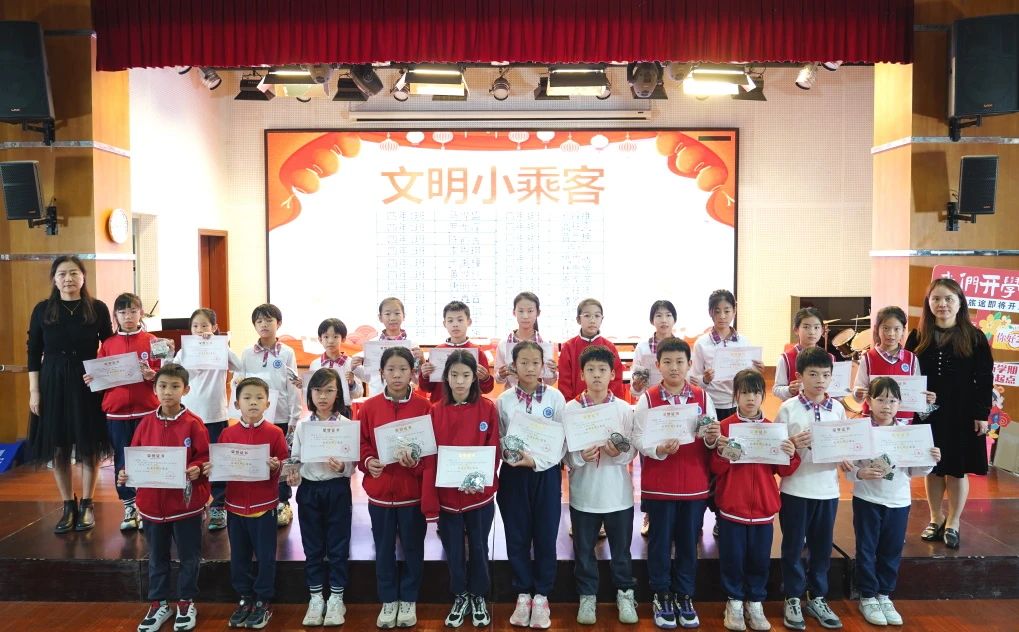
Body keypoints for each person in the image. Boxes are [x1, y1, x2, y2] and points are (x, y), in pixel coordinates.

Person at [633, 337, 720, 630]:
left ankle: (684, 594)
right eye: (667, 362)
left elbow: (711, 437)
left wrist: (712, 437)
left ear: (689, 364)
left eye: (680, 362)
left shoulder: (702, 397)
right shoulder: (647, 399)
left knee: (687, 542)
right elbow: (638, 437)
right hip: (660, 484)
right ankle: (661, 594)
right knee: (659, 543)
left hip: (694, 485)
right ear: (657, 365)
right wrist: (657, 449)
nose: (674, 367)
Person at [117, 363, 210, 632]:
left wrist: (197, 468)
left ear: (186, 390)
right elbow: (134, 456)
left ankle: (186, 601)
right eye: (163, 386)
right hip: (152, 507)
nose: (168, 392)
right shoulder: (146, 423)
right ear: (154, 389)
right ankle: (159, 603)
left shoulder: (194, 423)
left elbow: (205, 457)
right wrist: (125, 473)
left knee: (189, 556)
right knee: (157, 557)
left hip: (185, 506)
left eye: (175, 386)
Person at [905, 278, 994, 550]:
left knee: (957, 469)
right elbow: (906, 376)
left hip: (962, 414)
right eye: (936, 299)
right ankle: (936, 518)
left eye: (948, 299)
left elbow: (984, 378)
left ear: (959, 303)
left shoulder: (975, 337)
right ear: (928, 303)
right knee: (933, 468)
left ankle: (953, 522)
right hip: (927, 414)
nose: (942, 304)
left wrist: (981, 414)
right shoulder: (917, 336)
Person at [27, 255, 113, 533]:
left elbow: (109, 348)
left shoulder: (97, 308)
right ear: (54, 279)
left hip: (87, 382)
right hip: (52, 382)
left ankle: (87, 503)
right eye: (62, 274)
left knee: (89, 445)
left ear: (83, 277)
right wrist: (34, 391)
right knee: (59, 446)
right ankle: (67, 505)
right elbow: (33, 352)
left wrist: (105, 377)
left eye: (74, 273)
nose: (68, 278)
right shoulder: (43, 309)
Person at [845, 377, 940, 627]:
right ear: (869, 401)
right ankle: (867, 596)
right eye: (880, 400)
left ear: (900, 404)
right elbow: (847, 467)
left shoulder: (907, 433)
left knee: (891, 549)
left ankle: (884, 595)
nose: (886, 406)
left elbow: (915, 471)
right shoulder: (860, 430)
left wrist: (930, 460)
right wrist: (859, 473)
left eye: (892, 401)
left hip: (898, 501)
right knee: (866, 549)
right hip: (867, 499)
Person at [712, 369, 800, 632]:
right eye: (744, 393)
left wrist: (791, 453)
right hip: (732, 508)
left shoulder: (774, 429)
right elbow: (714, 469)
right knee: (732, 558)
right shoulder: (725, 427)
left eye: (756, 393)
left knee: (760, 560)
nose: (750, 398)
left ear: (763, 395)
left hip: (763, 509)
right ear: (735, 396)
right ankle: (734, 602)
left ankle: (755, 602)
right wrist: (723, 454)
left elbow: (783, 470)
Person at [421, 350, 500, 628]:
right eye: (454, 375)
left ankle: (479, 594)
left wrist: (478, 482)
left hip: (478, 497)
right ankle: (460, 594)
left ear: (474, 378)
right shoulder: (435, 411)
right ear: (446, 377)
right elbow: (431, 456)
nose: (459, 381)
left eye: (466, 375)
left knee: (478, 547)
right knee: (453, 550)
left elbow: (493, 449)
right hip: (447, 497)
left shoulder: (487, 409)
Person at [357, 346, 432, 629]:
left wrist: (416, 463)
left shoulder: (424, 407)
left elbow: (430, 452)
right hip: (380, 494)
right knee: (384, 549)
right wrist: (369, 462)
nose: (397, 375)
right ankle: (388, 599)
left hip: (412, 495)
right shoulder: (370, 407)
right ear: (381, 373)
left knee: (413, 548)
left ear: (413, 372)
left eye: (403, 369)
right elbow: (362, 443)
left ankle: (409, 598)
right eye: (391, 369)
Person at [205, 377, 288, 629]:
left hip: (265, 507)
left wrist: (276, 467)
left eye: (259, 398)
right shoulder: (227, 433)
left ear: (268, 403)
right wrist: (212, 468)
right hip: (235, 507)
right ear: (236, 403)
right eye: (247, 398)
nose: (253, 402)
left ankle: (263, 600)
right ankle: (244, 597)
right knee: (239, 557)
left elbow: (285, 467)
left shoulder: (275, 433)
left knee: (265, 556)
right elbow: (220, 468)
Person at [564, 345, 638, 625]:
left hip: (618, 495)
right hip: (584, 495)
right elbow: (564, 454)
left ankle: (625, 593)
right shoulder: (570, 410)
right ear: (581, 374)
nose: (597, 375)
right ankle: (587, 596)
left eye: (602, 370)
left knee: (621, 552)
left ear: (613, 374)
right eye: (591, 369)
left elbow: (632, 450)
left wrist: (619, 453)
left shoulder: (623, 409)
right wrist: (579, 457)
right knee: (584, 553)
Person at [496, 341, 567, 630]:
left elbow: (562, 441)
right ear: (513, 366)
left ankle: (542, 596)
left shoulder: (555, 398)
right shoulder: (504, 401)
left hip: (546, 474)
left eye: (534, 362)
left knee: (546, 535)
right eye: (523, 362)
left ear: (543, 366)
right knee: (517, 535)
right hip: (514, 475)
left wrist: (536, 461)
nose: (529, 368)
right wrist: (513, 457)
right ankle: (523, 592)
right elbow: (500, 438)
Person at [775, 347, 846, 630]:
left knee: (821, 547)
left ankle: (817, 596)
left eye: (826, 375)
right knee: (793, 547)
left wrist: (847, 455)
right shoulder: (788, 408)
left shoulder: (838, 409)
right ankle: (792, 596)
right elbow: (777, 452)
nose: (820, 380)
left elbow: (846, 446)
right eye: (813, 374)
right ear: (799, 376)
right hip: (795, 489)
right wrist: (792, 444)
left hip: (828, 490)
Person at [83, 291, 162, 532]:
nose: (128, 316)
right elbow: (100, 379)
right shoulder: (108, 344)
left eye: (133, 311)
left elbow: (165, 376)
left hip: (147, 411)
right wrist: (93, 379)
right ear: (115, 316)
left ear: (141, 313)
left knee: (149, 458)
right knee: (122, 459)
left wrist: (154, 375)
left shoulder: (153, 341)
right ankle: (129, 506)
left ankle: (148, 506)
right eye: (123, 312)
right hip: (116, 414)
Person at [288, 368, 355, 627]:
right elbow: (295, 459)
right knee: (312, 546)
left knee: (338, 545)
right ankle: (316, 597)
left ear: (338, 393)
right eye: (317, 390)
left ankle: (337, 598)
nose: (323, 396)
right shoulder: (303, 426)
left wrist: (343, 467)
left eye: (329, 390)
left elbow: (352, 466)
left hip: (337, 489)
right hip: (309, 491)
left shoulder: (347, 426)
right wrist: (293, 474)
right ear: (310, 393)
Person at [173, 307, 242, 532]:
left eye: (204, 326)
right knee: (193, 460)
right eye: (195, 326)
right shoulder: (185, 351)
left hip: (215, 414)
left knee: (216, 461)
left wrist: (220, 345)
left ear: (214, 327)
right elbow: (173, 372)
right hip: (189, 416)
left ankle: (219, 505)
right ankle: (196, 503)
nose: (200, 330)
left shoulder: (220, 348)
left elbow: (239, 365)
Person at [236, 303, 302, 528]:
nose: (264, 324)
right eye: (259, 321)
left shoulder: (287, 352)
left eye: (268, 320)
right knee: (258, 459)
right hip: (254, 418)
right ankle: (261, 499)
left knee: (281, 460)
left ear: (278, 323)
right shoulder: (247, 353)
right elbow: (239, 383)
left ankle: (283, 501)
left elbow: (292, 386)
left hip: (280, 415)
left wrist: (294, 417)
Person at [851, 306, 935, 425]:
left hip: (904, 422)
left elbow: (917, 395)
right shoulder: (868, 358)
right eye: (886, 328)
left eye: (896, 329)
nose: (891, 334)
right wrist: (858, 393)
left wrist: (926, 400)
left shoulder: (911, 359)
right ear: (877, 329)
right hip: (874, 423)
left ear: (903, 330)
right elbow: (857, 393)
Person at [690, 290, 765, 421]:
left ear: (734, 311)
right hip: (711, 403)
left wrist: (757, 371)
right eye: (717, 311)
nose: (722, 316)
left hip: (738, 402)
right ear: (710, 312)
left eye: (727, 311)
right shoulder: (701, 344)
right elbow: (694, 380)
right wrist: (705, 379)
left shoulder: (744, 341)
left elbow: (749, 376)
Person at [417, 301, 495, 404]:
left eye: (460, 320)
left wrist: (485, 378)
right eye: (450, 321)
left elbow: (487, 389)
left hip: (469, 407)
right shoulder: (437, 352)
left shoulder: (478, 352)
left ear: (469, 322)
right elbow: (427, 388)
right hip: (440, 407)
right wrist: (425, 376)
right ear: (444, 324)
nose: (455, 324)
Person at [351, 297, 424, 396]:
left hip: (403, 396)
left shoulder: (412, 345)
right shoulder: (372, 344)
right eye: (387, 314)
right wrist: (355, 368)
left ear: (404, 316)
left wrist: (421, 361)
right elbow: (370, 377)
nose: (392, 318)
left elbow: (416, 378)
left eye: (397, 313)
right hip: (377, 395)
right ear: (380, 317)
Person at [558, 298, 625, 402]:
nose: (592, 320)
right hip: (577, 405)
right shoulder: (568, 347)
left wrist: (611, 404)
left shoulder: (609, 347)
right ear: (578, 319)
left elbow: (616, 379)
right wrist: (571, 405)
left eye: (597, 316)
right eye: (587, 316)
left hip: (606, 405)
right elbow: (564, 382)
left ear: (602, 319)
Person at [493, 292, 558, 389]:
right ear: (514, 312)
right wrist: (501, 375)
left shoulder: (545, 344)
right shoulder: (504, 344)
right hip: (512, 395)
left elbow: (549, 382)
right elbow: (498, 380)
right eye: (521, 311)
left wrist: (552, 373)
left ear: (538, 313)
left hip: (538, 395)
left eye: (530, 311)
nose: (525, 316)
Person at [773, 308, 834, 402]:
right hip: (795, 408)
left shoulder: (830, 357)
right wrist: (789, 390)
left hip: (823, 407)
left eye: (816, 327)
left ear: (822, 330)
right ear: (796, 330)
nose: (812, 332)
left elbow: (834, 387)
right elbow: (776, 389)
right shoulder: (786, 358)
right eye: (806, 327)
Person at [306, 318, 363, 407]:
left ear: (343, 339)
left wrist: (352, 383)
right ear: (320, 339)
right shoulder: (315, 364)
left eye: (335, 337)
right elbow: (311, 391)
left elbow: (358, 394)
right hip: (321, 409)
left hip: (344, 409)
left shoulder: (351, 363)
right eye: (326, 337)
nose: (330, 341)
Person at [630, 299, 677, 399]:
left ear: (674, 320)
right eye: (659, 315)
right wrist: (637, 388)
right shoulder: (642, 347)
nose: (664, 320)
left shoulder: (682, 347)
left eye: (668, 315)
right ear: (652, 320)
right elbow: (635, 383)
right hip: (650, 399)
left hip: (676, 399)